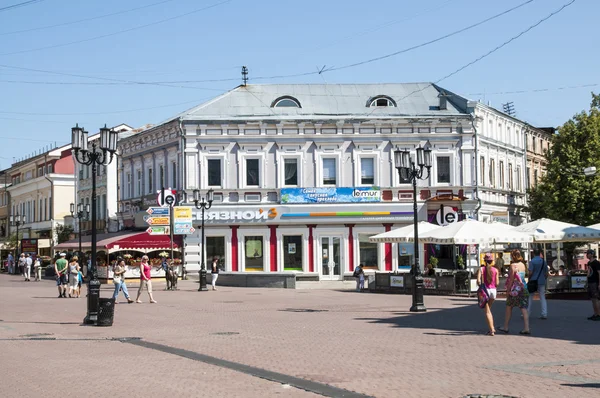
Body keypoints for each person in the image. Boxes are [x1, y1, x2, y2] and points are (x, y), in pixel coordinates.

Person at [498, 249, 530, 335]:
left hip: (515, 290)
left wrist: (508, 290)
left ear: (514, 256)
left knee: (509, 307)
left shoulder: (513, 265)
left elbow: (511, 279)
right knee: (523, 308)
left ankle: (505, 327)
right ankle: (526, 327)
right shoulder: (523, 265)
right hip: (523, 288)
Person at [478, 253, 499, 336]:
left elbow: (478, 281)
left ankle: (492, 329)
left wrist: (480, 285)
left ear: (484, 260)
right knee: (488, 310)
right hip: (493, 291)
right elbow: (497, 283)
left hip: (485, 291)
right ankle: (490, 328)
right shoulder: (496, 270)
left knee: (487, 312)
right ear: (492, 261)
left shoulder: (481, 269)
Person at [527, 249, 548, 320]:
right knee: (542, 297)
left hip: (533, 281)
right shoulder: (543, 261)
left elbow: (530, 272)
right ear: (540, 253)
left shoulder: (532, 261)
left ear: (533, 254)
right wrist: (544, 278)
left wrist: (529, 279)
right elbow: (546, 273)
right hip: (541, 281)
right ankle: (544, 313)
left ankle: (527, 313)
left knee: (530, 297)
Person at [585, 249, 600, 321]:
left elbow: (599, 273)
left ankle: (599, 314)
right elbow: (588, 272)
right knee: (593, 299)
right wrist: (586, 281)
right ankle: (595, 314)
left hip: (595, 282)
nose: (586, 255)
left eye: (588, 253)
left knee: (596, 299)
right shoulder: (589, 263)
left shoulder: (596, 263)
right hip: (590, 282)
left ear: (592, 254)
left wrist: (599, 284)